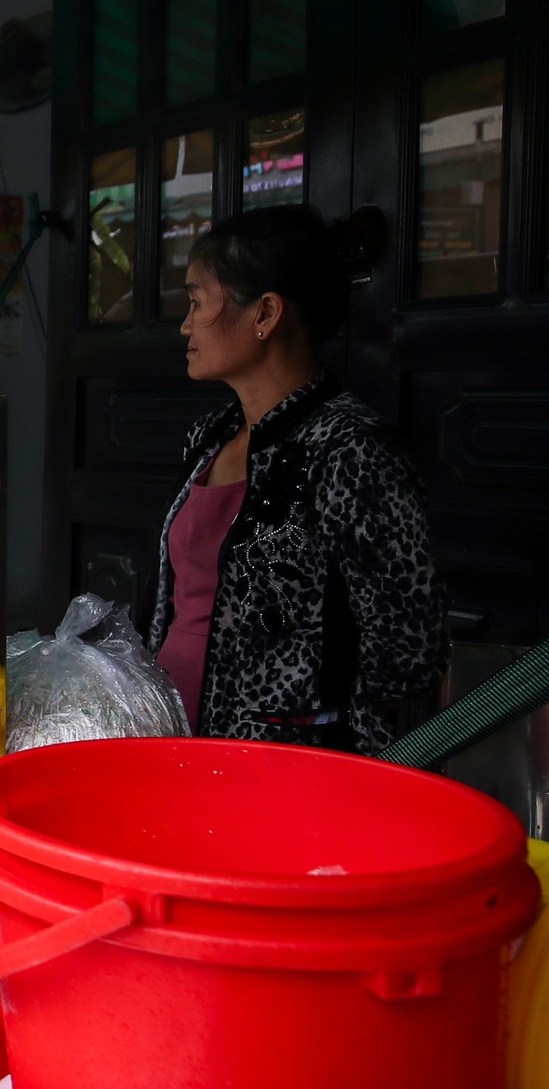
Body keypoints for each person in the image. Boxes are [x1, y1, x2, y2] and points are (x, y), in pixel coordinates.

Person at [148, 205, 446, 754]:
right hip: (171, 734)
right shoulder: (210, 438)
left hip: (282, 765)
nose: (186, 325)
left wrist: (331, 744)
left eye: (196, 302)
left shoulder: (350, 449)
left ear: (264, 313)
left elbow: (407, 645)